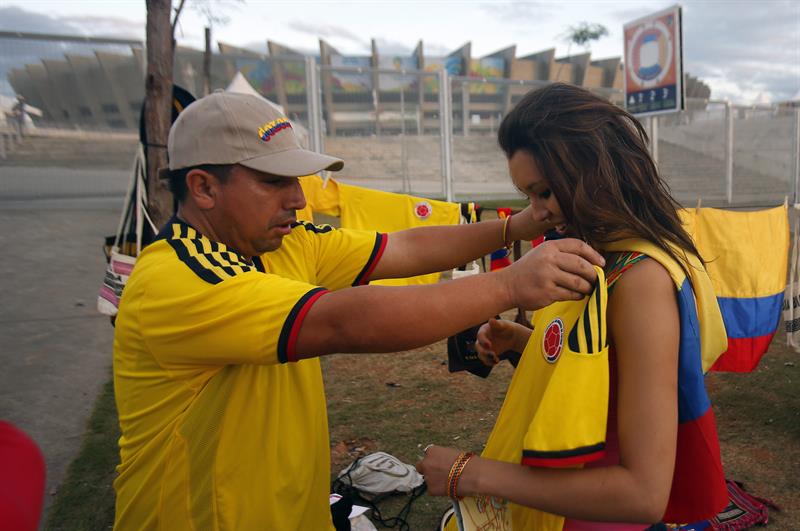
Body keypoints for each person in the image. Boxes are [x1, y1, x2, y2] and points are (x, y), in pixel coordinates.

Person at [111, 90, 605, 530]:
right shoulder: (176, 280)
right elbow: (344, 320)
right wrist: (511, 284)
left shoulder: (282, 245)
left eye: (298, 179)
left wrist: (514, 227)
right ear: (203, 188)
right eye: (274, 181)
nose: (298, 198)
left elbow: (403, 248)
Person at [416, 83, 730, 530]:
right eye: (528, 196)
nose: (537, 212)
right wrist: (522, 342)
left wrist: (472, 473)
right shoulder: (601, 254)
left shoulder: (640, 281)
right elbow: (602, 375)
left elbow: (642, 493)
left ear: (593, 170)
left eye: (543, 192)